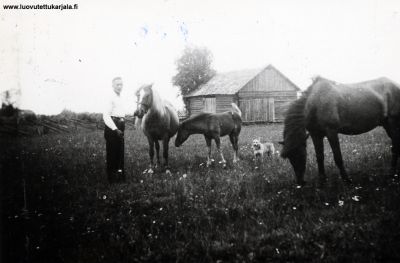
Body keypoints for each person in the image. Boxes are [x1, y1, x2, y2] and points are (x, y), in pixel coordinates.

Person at [103, 77, 125, 183]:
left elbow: (120, 113)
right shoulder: (110, 97)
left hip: (120, 126)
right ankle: (111, 178)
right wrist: (115, 129)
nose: (120, 87)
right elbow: (106, 116)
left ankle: (120, 175)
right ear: (113, 86)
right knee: (112, 152)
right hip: (112, 127)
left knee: (120, 151)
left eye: (121, 84)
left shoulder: (120, 97)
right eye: (117, 85)